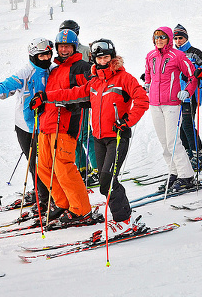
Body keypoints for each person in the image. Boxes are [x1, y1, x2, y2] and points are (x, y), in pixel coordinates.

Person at [44, 39, 149, 236]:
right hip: (99, 138)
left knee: (108, 181)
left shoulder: (124, 78)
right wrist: (46, 96)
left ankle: (124, 221)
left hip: (117, 137)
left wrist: (127, 121)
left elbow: (142, 99)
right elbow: (73, 93)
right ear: (95, 59)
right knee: (105, 183)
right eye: (99, 57)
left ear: (113, 57)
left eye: (106, 57)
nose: (103, 60)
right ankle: (127, 218)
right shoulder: (94, 82)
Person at [0, 37, 52, 214]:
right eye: (42, 56)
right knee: (34, 163)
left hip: (47, 126)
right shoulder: (26, 72)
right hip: (25, 127)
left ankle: (47, 197)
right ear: (33, 56)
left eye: (48, 54)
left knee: (46, 164)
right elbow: (7, 86)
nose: (46, 58)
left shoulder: (53, 70)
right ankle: (42, 195)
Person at [27, 29, 96, 227]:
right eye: (61, 46)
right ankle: (63, 203)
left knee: (64, 168)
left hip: (65, 124)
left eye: (68, 46)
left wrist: (68, 102)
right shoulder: (55, 69)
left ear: (75, 47)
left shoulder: (81, 67)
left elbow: (89, 93)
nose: (64, 50)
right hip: (47, 124)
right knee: (43, 167)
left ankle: (80, 210)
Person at [145, 26, 198, 192]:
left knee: (173, 141)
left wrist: (187, 91)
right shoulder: (150, 56)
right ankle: (174, 173)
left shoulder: (178, 56)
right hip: (155, 103)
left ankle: (186, 175)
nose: (159, 40)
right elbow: (148, 74)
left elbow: (193, 76)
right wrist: (147, 84)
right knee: (164, 143)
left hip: (172, 103)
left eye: (162, 37)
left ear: (169, 38)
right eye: (156, 37)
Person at [59, 19, 95, 178]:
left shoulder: (85, 50)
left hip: (83, 97)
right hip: (67, 99)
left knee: (86, 134)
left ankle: (98, 168)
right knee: (74, 134)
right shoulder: (61, 52)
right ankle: (82, 166)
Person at [173, 24, 202, 172]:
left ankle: (199, 156)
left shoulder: (195, 53)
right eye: (175, 38)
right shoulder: (173, 54)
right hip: (177, 95)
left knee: (187, 124)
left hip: (191, 94)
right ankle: (189, 154)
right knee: (181, 126)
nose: (178, 41)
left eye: (180, 38)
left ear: (186, 38)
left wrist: (197, 73)